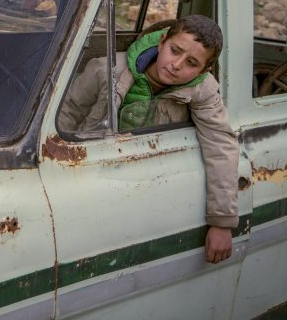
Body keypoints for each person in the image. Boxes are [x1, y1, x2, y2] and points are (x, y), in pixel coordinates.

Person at [58, 14, 238, 264]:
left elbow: (220, 144)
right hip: (91, 172)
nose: (176, 65)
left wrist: (222, 222)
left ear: (204, 70)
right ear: (162, 42)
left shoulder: (202, 90)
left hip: (148, 183)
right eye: (175, 51)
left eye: (191, 63)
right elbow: (66, 115)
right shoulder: (105, 69)